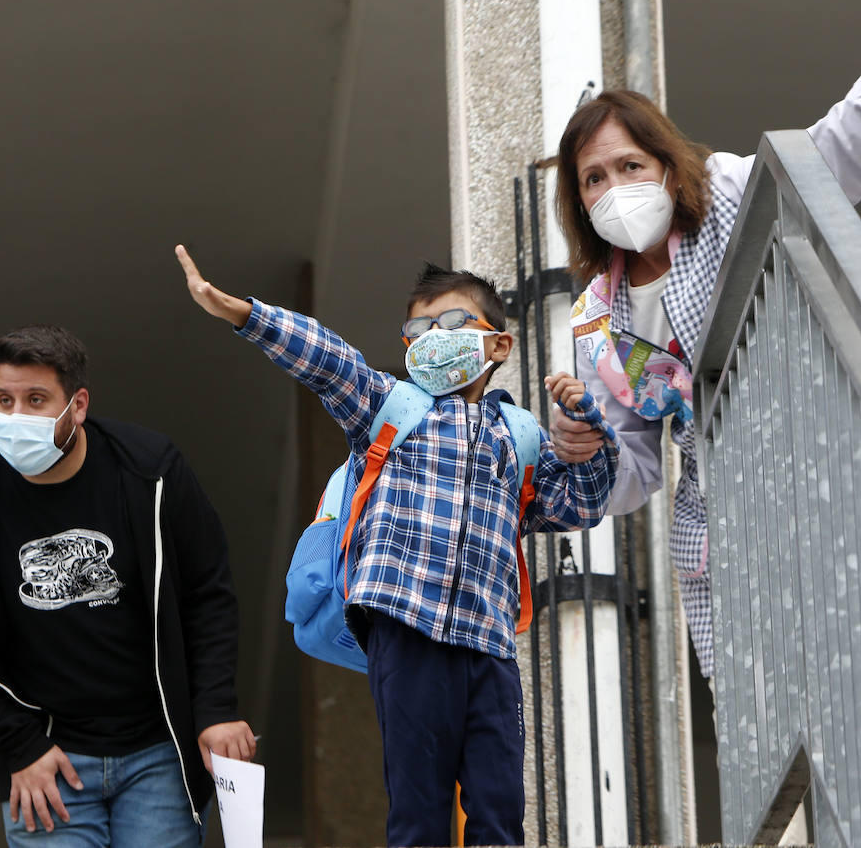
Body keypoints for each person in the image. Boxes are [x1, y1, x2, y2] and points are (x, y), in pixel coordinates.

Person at [549, 0, 861, 686]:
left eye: (629, 165)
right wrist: (583, 449)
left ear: (666, 167)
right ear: (578, 199)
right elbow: (639, 466)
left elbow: (828, 161)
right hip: (722, 540)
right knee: (775, 725)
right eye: (594, 178)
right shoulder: (597, 323)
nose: (615, 188)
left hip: (817, 479)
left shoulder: (731, 197)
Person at [174, 245, 616, 846]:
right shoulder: (390, 406)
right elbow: (328, 360)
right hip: (406, 627)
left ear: (500, 346)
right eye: (420, 328)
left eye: (454, 323)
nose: (435, 336)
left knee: (500, 810)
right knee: (418, 807)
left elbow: (580, 506)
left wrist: (593, 436)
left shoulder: (520, 436)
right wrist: (245, 315)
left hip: (489, 645)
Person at [0, 325, 254, 848]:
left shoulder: (151, 473)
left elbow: (207, 593)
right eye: (4, 400)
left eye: (35, 399)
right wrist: (19, 744)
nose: (16, 417)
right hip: (44, 760)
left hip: (158, 752)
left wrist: (214, 709)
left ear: (77, 405)